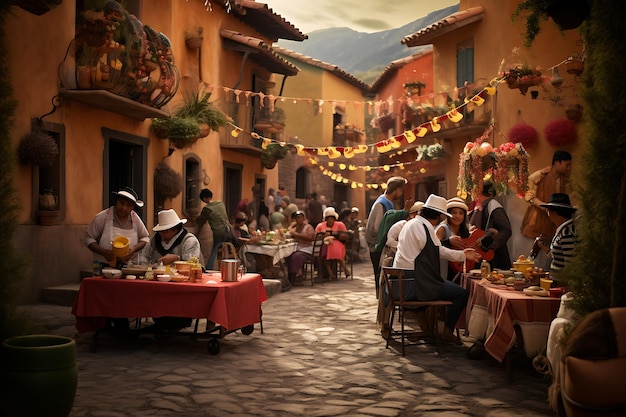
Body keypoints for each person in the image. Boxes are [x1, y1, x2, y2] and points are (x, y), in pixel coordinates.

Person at [392, 194, 481, 344]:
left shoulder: (412, 223)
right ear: (439, 215)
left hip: (401, 281)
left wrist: (461, 255)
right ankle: (447, 329)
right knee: (461, 294)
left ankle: (429, 331)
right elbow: (438, 251)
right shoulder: (424, 226)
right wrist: (464, 256)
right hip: (416, 283)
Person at [84, 187, 150, 336]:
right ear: (116, 202)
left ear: (133, 207)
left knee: (122, 298)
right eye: (122, 203)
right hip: (103, 265)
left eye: (128, 205)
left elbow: (145, 238)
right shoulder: (102, 217)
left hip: (127, 266)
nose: (124, 208)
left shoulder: (134, 218)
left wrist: (133, 250)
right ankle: (105, 326)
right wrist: (103, 251)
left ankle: (120, 326)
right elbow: (88, 238)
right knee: (104, 297)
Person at [139, 209, 203, 332]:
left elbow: (192, 262)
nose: (161, 235)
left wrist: (177, 258)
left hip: (183, 285)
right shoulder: (154, 240)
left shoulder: (189, 240)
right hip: (158, 283)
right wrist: (147, 266)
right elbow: (144, 257)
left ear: (173, 230)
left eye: (164, 232)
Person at [521, 151, 572, 268]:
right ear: (557, 162)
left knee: (551, 255)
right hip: (538, 220)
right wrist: (545, 206)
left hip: (553, 223)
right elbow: (528, 194)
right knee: (533, 257)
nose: (568, 168)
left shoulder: (564, 180)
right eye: (566, 164)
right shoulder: (540, 175)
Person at [365, 176, 412, 298]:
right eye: (401, 190)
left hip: (382, 245)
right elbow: (377, 228)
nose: (401, 194)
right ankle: (382, 302)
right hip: (376, 246)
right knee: (379, 274)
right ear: (397, 189)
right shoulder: (381, 204)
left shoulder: (388, 203)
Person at [469, 180, 513, 270]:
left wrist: (491, 247)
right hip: (479, 252)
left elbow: (506, 230)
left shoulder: (494, 206)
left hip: (493, 255)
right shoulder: (479, 206)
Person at [534, 193, 578, 280]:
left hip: (562, 284)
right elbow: (555, 256)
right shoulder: (562, 230)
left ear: (553, 212)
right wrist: (541, 245)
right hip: (555, 281)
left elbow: (570, 265)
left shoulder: (567, 233)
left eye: (548, 210)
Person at [195, 188, 232, 270]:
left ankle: (209, 268)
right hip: (228, 230)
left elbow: (201, 221)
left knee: (214, 250)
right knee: (224, 248)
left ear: (204, 199)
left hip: (219, 232)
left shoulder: (207, 209)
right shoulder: (221, 203)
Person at [436, 197, 471, 281]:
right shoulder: (442, 228)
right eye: (454, 213)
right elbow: (434, 248)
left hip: (460, 270)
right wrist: (448, 242)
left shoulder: (466, 230)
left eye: (461, 213)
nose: (457, 216)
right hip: (444, 272)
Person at [315, 207, 350, 280]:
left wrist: (333, 236)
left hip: (338, 244)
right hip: (324, 245)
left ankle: (342, 268)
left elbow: (345, 236)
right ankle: (330, 272)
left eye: (332, 218)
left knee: (333, 248)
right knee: (325, 251)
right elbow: (316, 236)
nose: (330, 220)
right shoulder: (320, 226)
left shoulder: (340, 225)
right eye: (328, 218)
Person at [286, 211, 315, 284]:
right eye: (297, 218)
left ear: (303, 218)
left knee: (296, 256)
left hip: (307, 249)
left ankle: (293, 278)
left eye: (300, 217)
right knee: (289, 255)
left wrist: (296, 234)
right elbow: (289, 233)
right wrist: (291, 227)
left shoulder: (308, 227)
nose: (298, 219)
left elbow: (310, 238)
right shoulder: (296, 228)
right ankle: (291, 277)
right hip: (297, 248)